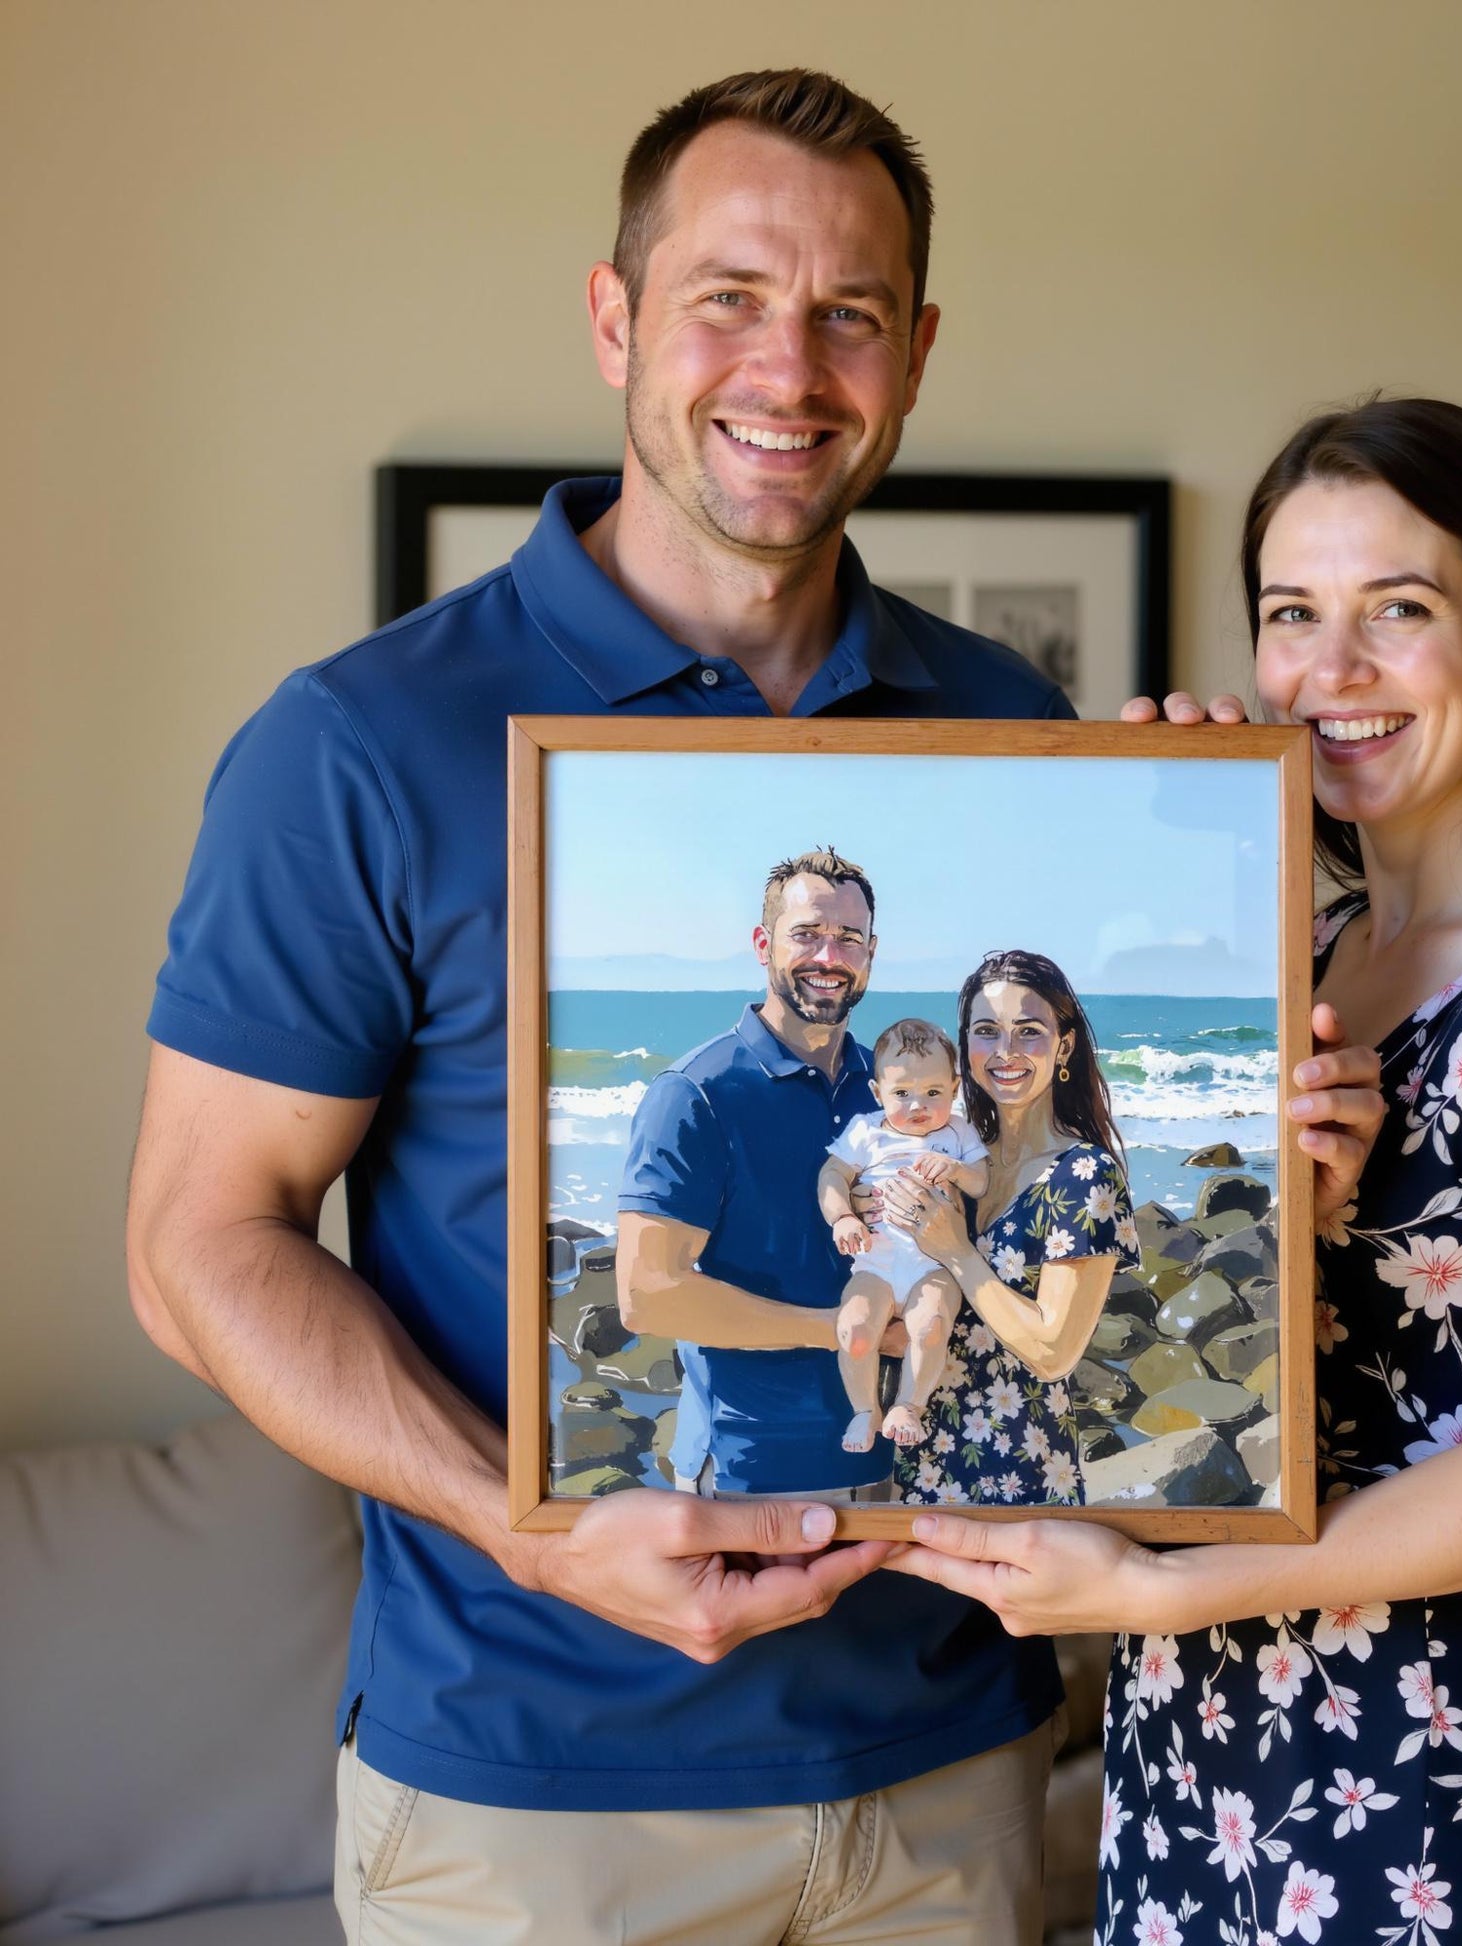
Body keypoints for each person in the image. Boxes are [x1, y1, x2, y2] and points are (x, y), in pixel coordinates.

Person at [126, 69, 1088, 1946]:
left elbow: (1040, 1148)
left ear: (917, 355)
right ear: (613, 318)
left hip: (955, 1766)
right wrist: (525, 1517)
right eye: (728, 294)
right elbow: (194, 1247)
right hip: (533, 1802)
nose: (789, 369)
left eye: (850, 314)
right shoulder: (356, 746)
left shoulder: (1013, 729)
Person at [890, 398, 1462, 1944]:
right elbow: (1173, 1326)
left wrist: (1161, 1597)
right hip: (1203, 1746)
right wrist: (1162, 859)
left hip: (1423, 1775)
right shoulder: (1302, 952)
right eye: (1292, 614)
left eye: (1398, 611)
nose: (1329, 671)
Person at [875, 949, 1134, 1507]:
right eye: (987, 1031)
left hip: (1019, 1476)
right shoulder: (954, 1164)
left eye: (1029, 1031)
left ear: (1064, 1046)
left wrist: (958, 1251)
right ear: (965, 1047)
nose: (1006, 1052)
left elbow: (1052, 1351)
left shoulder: (1084, 1174)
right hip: (917, 1463)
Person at [818, 1017, 988, 1452]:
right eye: (902, 1094)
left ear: (955, 1088)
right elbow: (832, 1175)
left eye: (933, 1093)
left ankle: (908, 1404)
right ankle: (864, 1409)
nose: (918, 1106)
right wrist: (842, 1218)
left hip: (933, 1264)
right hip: (875, 1260)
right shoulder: (866, 1131)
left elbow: (980, 1183)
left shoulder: (958, 1133)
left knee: (930, 1326)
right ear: (878, 1093)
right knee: (855, 1329)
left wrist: (955, 1169)